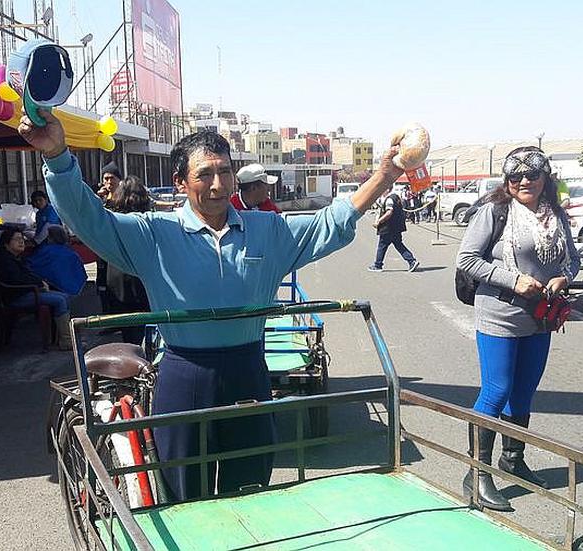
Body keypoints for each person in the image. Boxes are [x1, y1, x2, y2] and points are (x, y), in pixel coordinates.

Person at [21, 108, 401, 501]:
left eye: (225, 171)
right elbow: (89, 218)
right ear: (180, 183)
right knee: (185, 497)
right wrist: (57, 156)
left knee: (251, 489)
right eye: (204, 174)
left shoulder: (267, 230)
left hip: (249, 373)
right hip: (184, 376)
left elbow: (330, 222)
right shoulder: (154, 233)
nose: (218, 184)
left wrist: (383, 177)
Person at [455, 146, 580, 511]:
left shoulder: (554, 214)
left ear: (545, 178)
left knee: (524, 392)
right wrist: (512, 280)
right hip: (499, 315)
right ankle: (477, 474)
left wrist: (562, 277)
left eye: (533, 174)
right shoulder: (495, 212)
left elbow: (570, 259)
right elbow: (467, 259)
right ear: (507, 181)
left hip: (539, 317)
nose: (524, 181)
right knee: (497, 390)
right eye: (516, 176)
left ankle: (513, 459)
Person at [0, 229, 72, 350]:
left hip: (27, 292)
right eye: (17, 239)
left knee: (64, 296)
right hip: (17, 297)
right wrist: (38, 283)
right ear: (6, 243)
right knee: (60, 300)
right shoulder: (5, 261)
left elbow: (28, 275)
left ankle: (63, 337)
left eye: (22, 239)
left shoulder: (16, 258)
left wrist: (40, 282)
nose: (21, 242)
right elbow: (17, 279)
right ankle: (66, 341)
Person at [98, 176, 153, 345]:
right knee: (148, 327)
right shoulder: (149, 221)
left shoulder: (112, 220)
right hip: (142, 279)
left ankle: (133, 363)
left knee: (129, 333)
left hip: (117, 279)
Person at [368, 188, 418, 272]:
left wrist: (379, 222)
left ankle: (378, 265)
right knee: (398, 244)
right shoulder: (395, 197)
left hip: (388, 227)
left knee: (382, 245)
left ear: (387, 189)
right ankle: (411, 261)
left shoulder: (389, 199)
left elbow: (389, 213)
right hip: (396, 227)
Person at [26, 225, 86, 295]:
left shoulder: (46, 251)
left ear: (50, 237)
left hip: (52, 288)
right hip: (72, 290)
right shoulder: (72, 253)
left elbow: (32, 266)